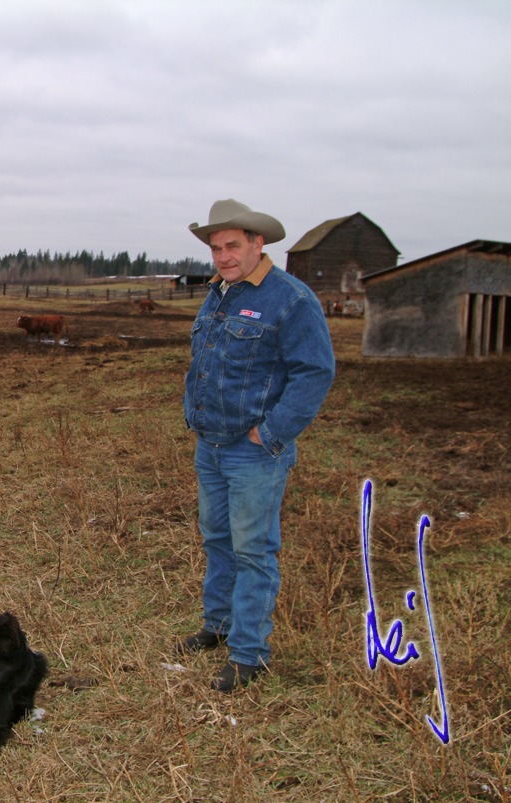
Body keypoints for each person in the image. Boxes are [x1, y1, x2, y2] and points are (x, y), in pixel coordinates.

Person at [177, 199, 336, 692]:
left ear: (257, 243)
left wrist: (270, 432)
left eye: (232, 246)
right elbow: (205, 360)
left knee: (252, 551)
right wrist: (194, 413)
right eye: (216, 248)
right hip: (211, 445)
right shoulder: (219, 294)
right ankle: (219, 624)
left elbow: (315, 372)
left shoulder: (291, 299)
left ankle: (249, 654)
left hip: (254, 453)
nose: (223, 256)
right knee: (217, 539)